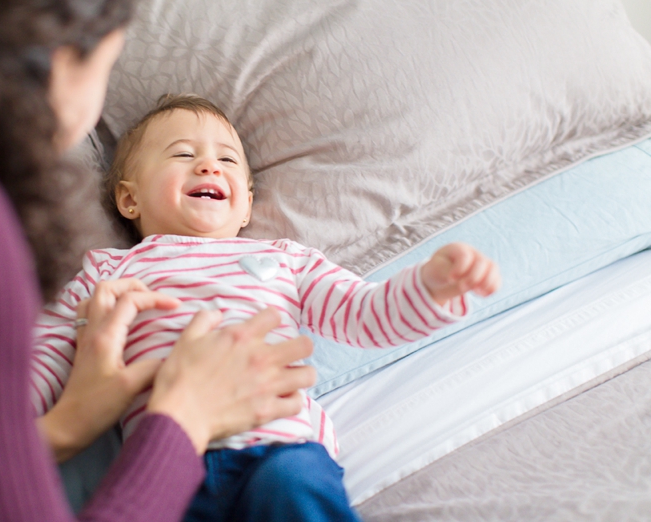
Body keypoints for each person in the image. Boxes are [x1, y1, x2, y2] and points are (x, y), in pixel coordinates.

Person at [0, 0, 317, 521]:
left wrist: (67, 425)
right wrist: (183, 419)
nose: (208, 167)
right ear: (63, 55)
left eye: (228, 160)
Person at [32, 94, 502, 521]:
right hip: (165, 461)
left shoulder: (284, 260)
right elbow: (48, 351)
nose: (209, 167)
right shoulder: (110, 271)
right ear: (129, 198)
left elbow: (363, 313)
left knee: (294, 489)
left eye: (227, 160)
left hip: (279, 448)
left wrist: (430, 288)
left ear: (246, 206)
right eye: (183, 154)